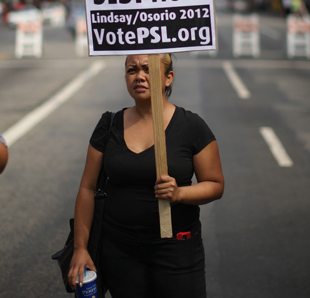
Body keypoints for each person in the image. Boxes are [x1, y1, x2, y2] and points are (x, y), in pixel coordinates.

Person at [68, 54, 224, 298]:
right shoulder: (109, 124)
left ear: (168, 78)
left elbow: (215, 185)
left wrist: (180, 193)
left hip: (176, 251)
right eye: (132, 70)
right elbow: (87, 188)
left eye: (147, 69)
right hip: (119, 251)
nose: (139, 76)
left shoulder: (192, 126)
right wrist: (80, 247)